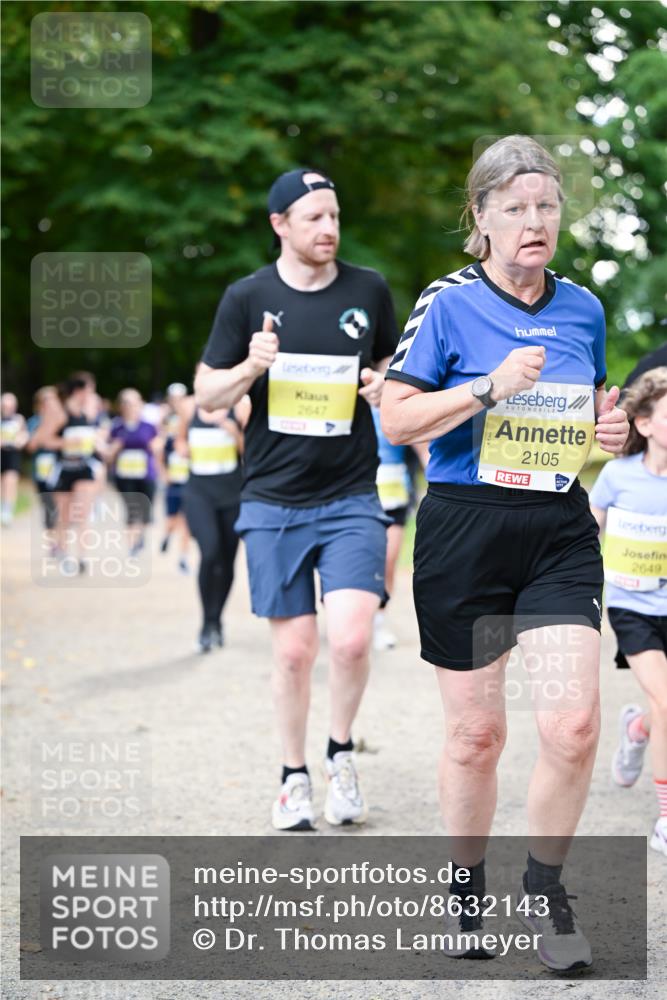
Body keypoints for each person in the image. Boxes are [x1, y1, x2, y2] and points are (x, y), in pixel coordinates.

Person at [381, 135, 629, 971]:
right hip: (466, 534)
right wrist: (486, 387)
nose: (534, 222)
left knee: (573, 724)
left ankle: (545, 891)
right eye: (515, 208)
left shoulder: (583, 309)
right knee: (476, 737)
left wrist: (612, 429)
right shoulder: (445, 304)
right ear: (479, 218)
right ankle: (463, 889)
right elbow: (396, 420)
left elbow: (589, 414)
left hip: (556, 532)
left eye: (546, 207)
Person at [194, 168, 399, 830]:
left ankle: (339, 753)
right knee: (291, 652)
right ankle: (293, 774)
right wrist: (251, 366)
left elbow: (399, 371)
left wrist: (382, 385)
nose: (329, 229)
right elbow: (206, 395)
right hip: (274, 499)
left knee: (349, 639)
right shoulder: (247, 296)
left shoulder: (368, 289)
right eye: (313, 217)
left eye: (334, 215)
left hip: (350, 496)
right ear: (279, 224)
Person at [589, 367, 667, 857]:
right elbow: (584, 537)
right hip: (633, 609)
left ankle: (637, 729)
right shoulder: (617, 477)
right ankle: (665, 819)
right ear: (644, 423)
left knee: (661, 711)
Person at [178, 387, 244, 653]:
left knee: (227, 559)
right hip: (199, 493)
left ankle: (217, 619)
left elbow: (252, 449)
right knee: (209, 551)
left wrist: (233, 432)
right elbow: (179, 439)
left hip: (231, 494)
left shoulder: (239, 407)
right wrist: (183, 449)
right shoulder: (188, 407)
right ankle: (206, 623)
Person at [370, 405, 428, 651]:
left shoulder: (398, 407)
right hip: (357, 495)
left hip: (394, 496)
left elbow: (426, 452)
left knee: (387, 563)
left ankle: (378, 622)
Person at [108, 389, 161, 556]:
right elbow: (108, 454)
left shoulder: (149, 427)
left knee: (145, 508)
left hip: (146, 474)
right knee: (131, 508)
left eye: (133, 403)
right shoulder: (117, 427)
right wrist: (114, 448)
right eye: (126, 403)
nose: (130, 407)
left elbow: (158, 448)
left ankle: (141, 537)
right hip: (124, 475)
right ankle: (132, 545)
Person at [159, 383, 191, 573]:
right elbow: (160, 455)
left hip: (189, 481)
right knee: (172, 519)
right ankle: (167, 535)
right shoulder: (166, 425)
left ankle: (183, 558)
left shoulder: (193, 422)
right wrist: (164, 475)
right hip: (174, 480)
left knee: (186, 521)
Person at [25, 387, 61, 543]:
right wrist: (45, 425)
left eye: (52, 400)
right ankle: (52, 539)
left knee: (61, 503)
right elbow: (31, 446)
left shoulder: (63, 420)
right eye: (45, 401)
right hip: (41, 469)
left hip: (60, 468)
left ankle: (61, 539)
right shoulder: (34, 422)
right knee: (48, 504)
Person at [1, 392, 28, 526]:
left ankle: (7, 510)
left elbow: (24, 435)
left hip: (12, 454)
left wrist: (20, 441)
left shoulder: (18, 419)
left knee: (10, 480)